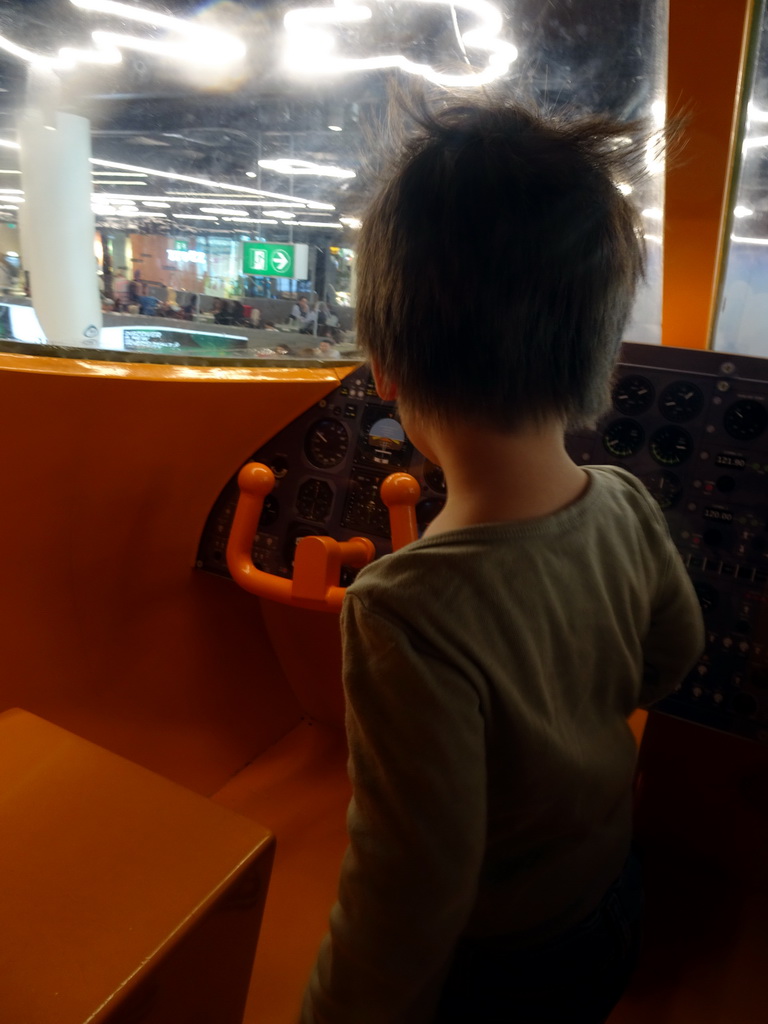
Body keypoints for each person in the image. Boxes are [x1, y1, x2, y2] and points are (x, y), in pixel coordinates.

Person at [300, 98, 704, 1024]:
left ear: (386, 370)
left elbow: (410, 890)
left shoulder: (404, 609)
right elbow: (671, 657)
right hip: (611, 904)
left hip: (502, 966)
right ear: (598, 360)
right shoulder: (628, 506)